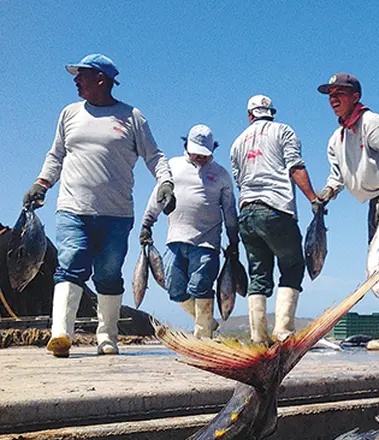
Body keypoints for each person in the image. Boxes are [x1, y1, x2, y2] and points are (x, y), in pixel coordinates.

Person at [24, 53, 174, 357]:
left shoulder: (132, 117)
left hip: (116, 214)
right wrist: (41, 183)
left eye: (81, 76)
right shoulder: (69, 114)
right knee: (71, 261)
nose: (76, 81)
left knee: (108, 273)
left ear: (101, 80)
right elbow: (56, 156)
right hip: (72, 207)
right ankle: (60, 334)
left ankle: (107, 337)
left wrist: (166, 182)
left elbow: (154, 156)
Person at [317, 73, 379, 351]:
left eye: (340, 93)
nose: (333, 99)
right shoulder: (336, 138)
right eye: (330, 94)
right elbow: (336, 176)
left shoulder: (371, 122)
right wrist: (326, 194)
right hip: (374, 204)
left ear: (356, 97)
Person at [230, 95, 318, 342]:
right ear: (271, 113)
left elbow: (239, 181)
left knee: (258, 274)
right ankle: (283, 330)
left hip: (246, 213)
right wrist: (313, 198)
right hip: (276, 210)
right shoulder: (283, 131)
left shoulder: (237, 143)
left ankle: (258, 336)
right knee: (292, 267)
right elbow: (295, 167)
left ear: (250, 115)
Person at [139, 124, 238, 338]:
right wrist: (147, 223)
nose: (200, 157)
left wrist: (234, 239)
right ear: (186, 145)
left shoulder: (221, 175)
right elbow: (157, 197)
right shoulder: (172, 166)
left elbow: (229, 209)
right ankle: (208, 322)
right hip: (175, 239)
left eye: (205, 154)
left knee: (202, 286)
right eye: (196, 152)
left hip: (207, 242)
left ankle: (203, 337)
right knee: (174, 288)